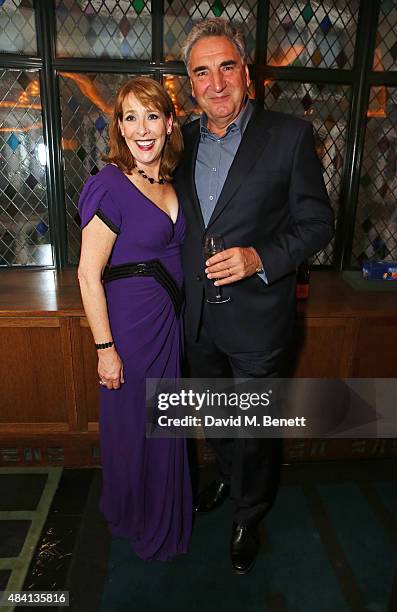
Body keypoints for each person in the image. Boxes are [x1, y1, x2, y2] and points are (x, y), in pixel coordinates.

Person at [175, 18, 334, 574]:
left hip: (259, 319)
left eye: (226, 67)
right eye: (202, 72)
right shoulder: (180, 139)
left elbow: (317, 223)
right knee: (216, 418)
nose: (215, 83)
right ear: (189, 84)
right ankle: (223, 475)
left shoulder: (289, 135)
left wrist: (259, 257)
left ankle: (250, 512)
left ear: (246, 72)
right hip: (197, 317)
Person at [77, 77, 192, 561]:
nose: (141, 129)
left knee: (165, 425)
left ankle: (163, 510)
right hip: (128, 328)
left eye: (151, 116)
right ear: (119, 129)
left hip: (169, 325)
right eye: (130, 118)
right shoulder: (108, 185)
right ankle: (135, 514)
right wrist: (106, 350)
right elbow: (87, 274)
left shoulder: (169, 180)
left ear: (169, 124)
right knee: (133, 428)